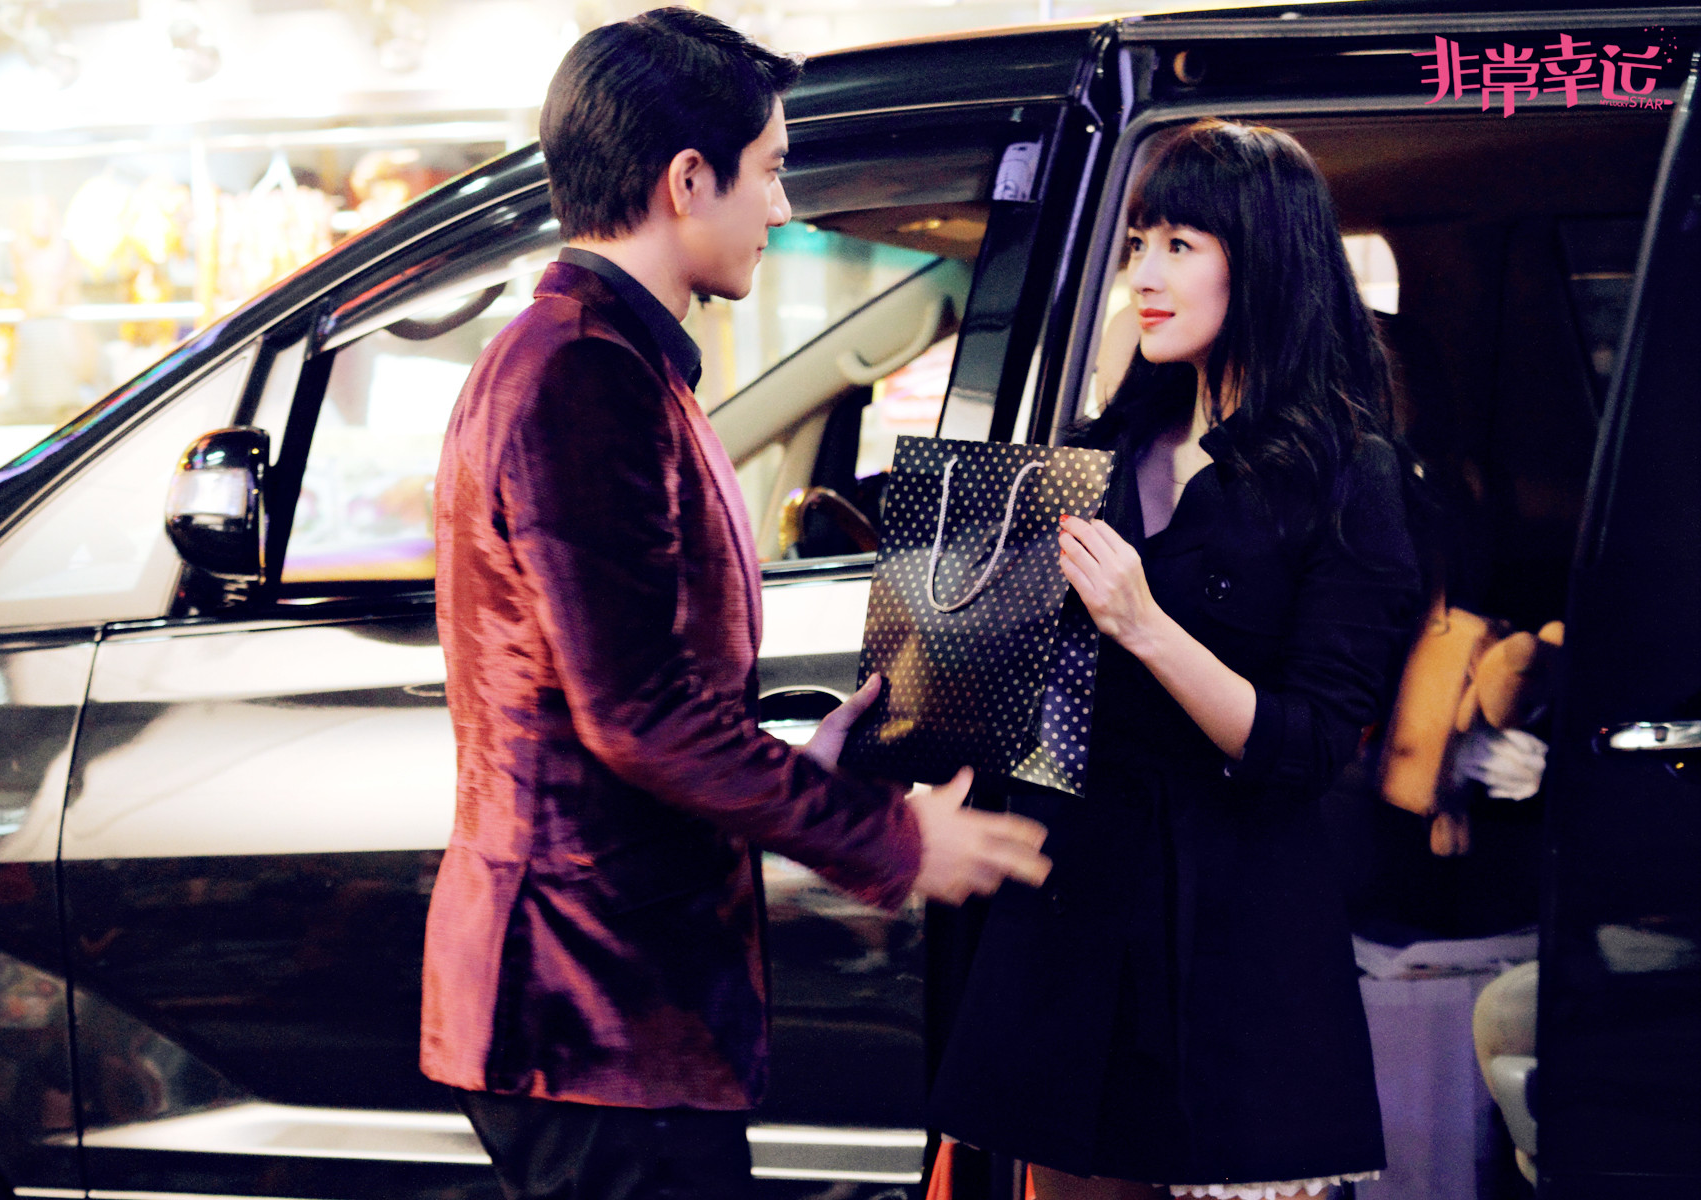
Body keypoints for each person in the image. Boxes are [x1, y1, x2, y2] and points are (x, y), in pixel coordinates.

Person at [419, 10, 1053, 1199]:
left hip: (608, 1003)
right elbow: (638, 715)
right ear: (687, 179)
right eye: (769, 169)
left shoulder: (592, 355)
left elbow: (615, 696)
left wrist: (797, 766)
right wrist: (894, 839)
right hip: (590, 1007)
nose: (782, 205)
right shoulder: (584, 374)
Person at [927, 119, 1430, 1200]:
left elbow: (1308, 745)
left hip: (1229, 934)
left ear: (1264, 261)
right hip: (1071, 915)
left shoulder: (1348, 475)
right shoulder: (1097, 453)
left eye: (1179, 246)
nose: (1144, 277)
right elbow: (1017, 691)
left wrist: (1146, 624)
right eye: (1138, 245)